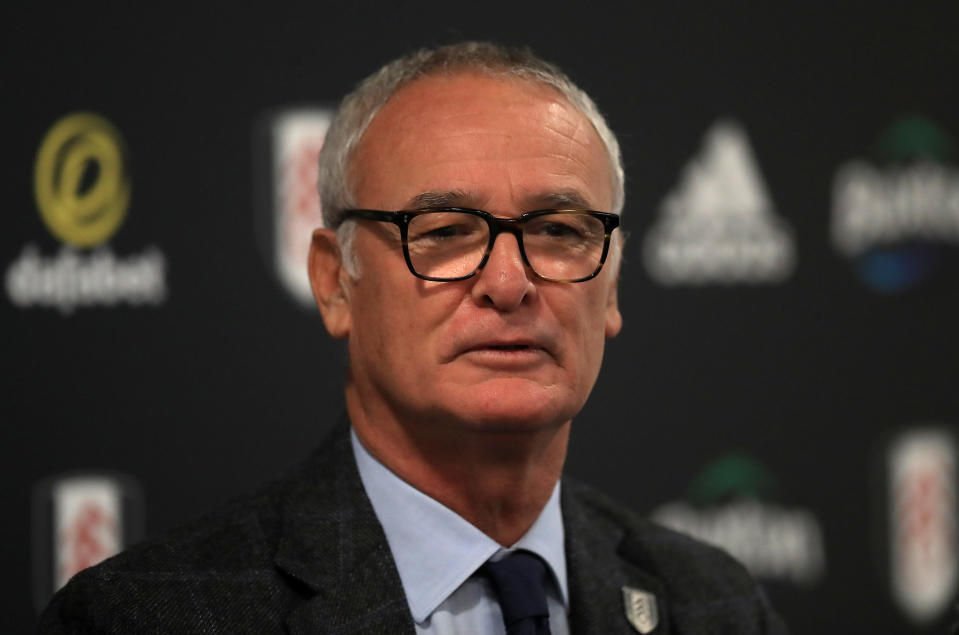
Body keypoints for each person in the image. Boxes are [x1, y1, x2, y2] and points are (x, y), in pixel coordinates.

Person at [39, 42, 786, 634]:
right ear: (335, 282)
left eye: (559, 232)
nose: (508, 282)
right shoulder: (145, 615)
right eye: (446, 233)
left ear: (612, 286)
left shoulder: (711, 604)